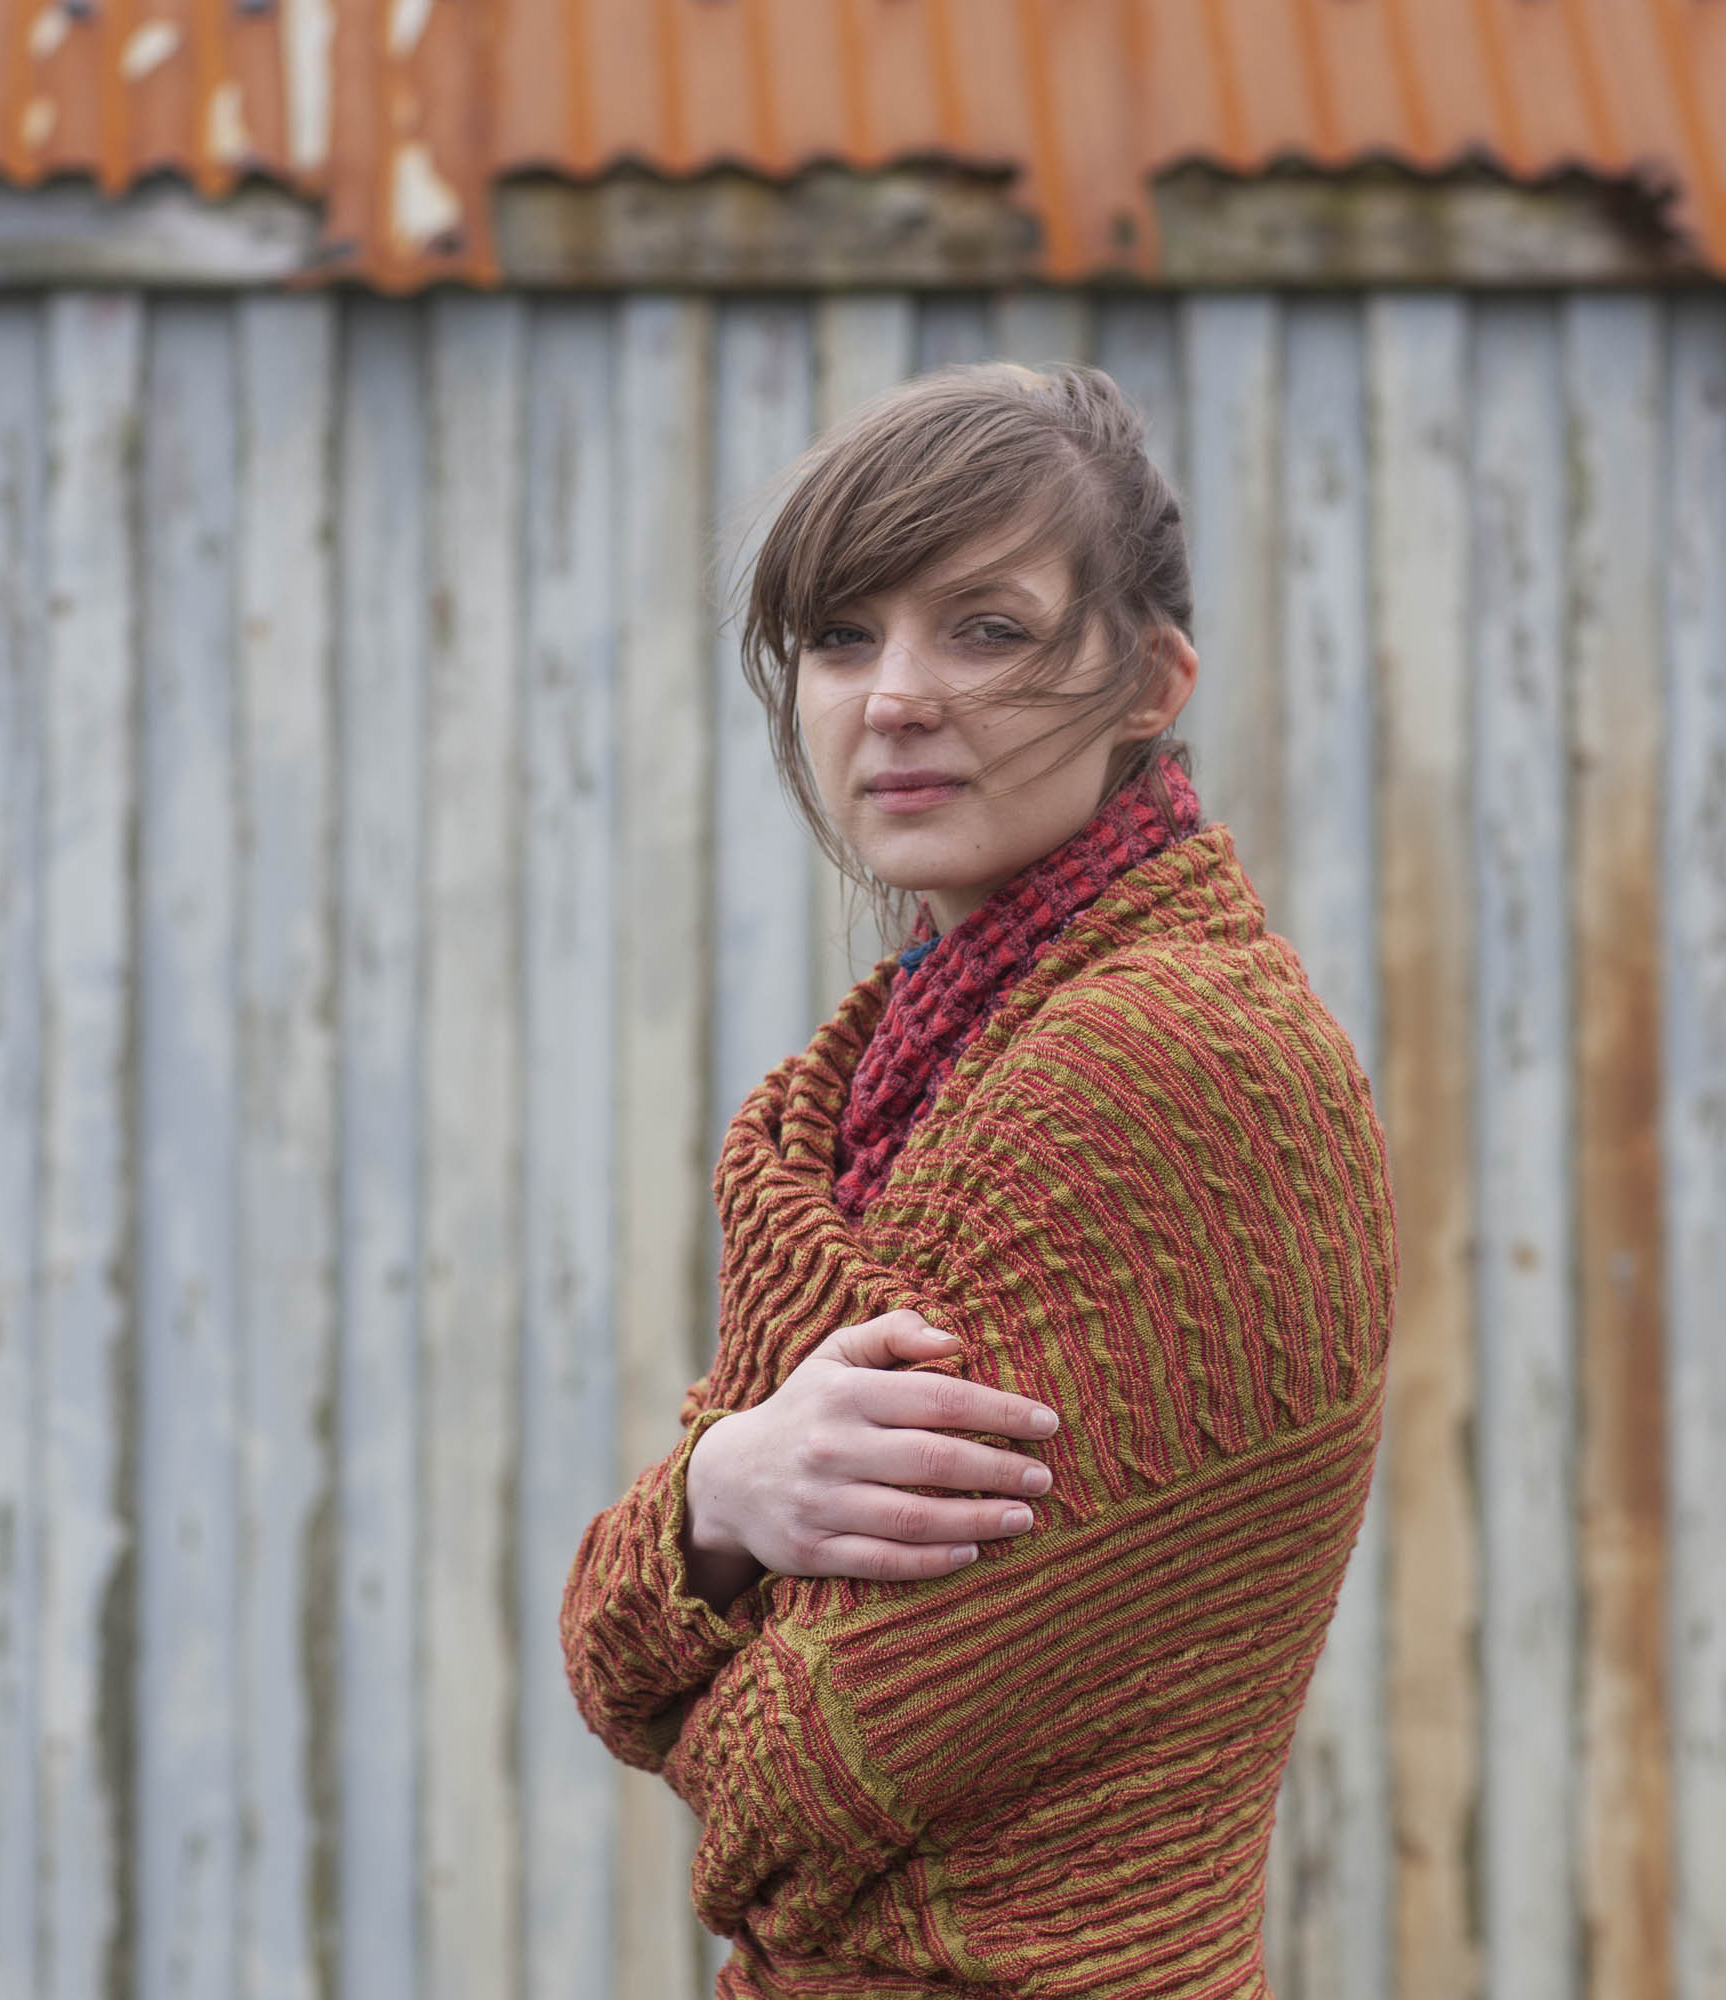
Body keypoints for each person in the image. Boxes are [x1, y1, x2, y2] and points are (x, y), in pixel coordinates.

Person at [560, 361, 1395, 1997]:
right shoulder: (886, 1089)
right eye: (843, 636)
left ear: (1153, 681)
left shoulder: (1164, 1064)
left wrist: (685, 1575)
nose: (894, 698)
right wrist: (721, 1493)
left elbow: (794, 1778)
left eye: (987, 629)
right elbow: (630, 1658)